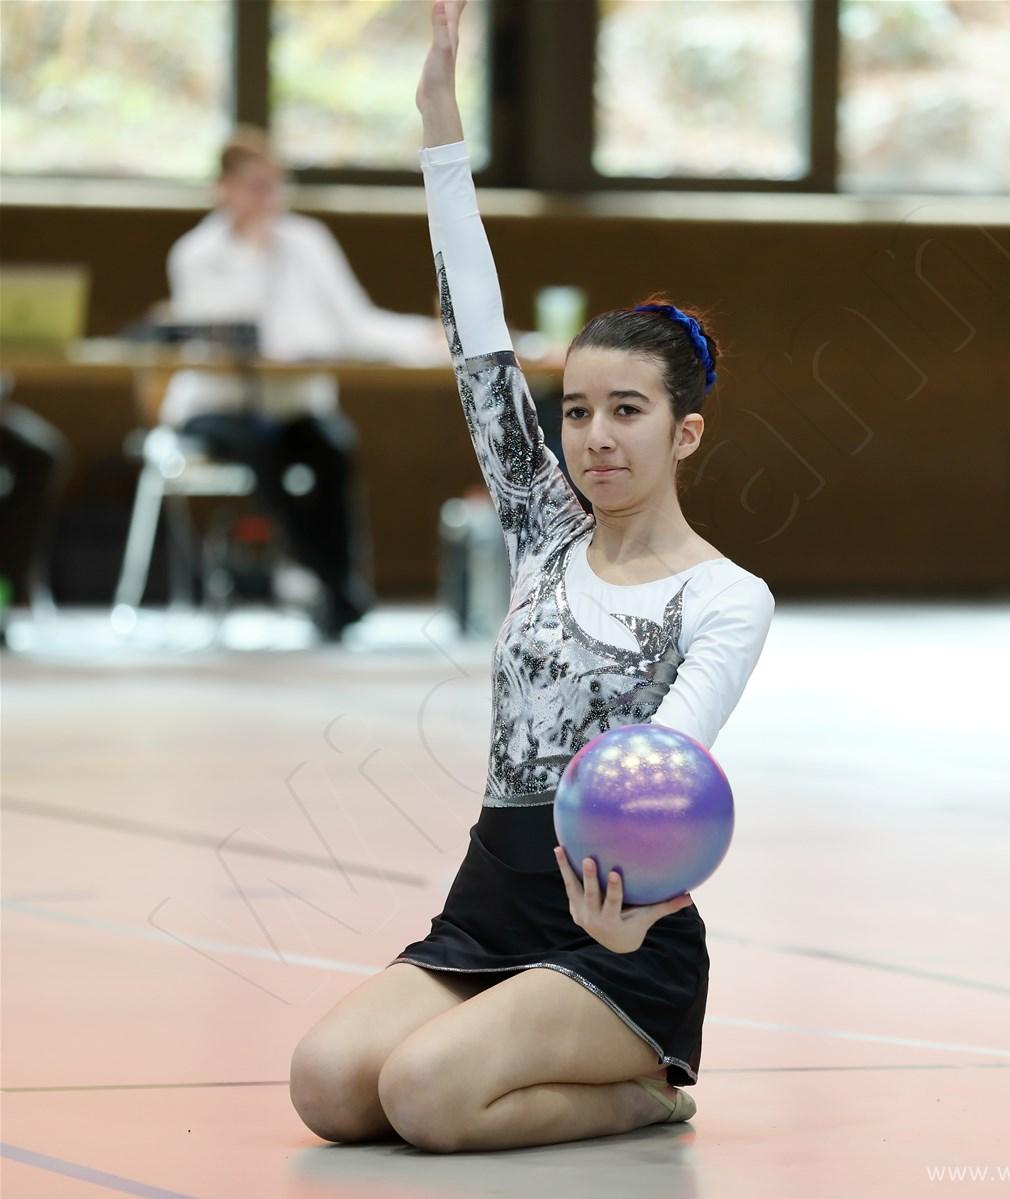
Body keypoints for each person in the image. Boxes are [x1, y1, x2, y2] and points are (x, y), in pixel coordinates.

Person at [289, 0, 774, 1153]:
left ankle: (650, 1083)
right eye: (578, 410)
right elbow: (476, 338)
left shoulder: (724, 596)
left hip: (617, 926)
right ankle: (516, 1036)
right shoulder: (544, 530)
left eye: (627, 411)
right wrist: (440, 129)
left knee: (428, 1096)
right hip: (490, 902)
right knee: (330, 1085)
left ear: (683, 433)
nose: (595, 436)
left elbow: (671, 764)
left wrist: (633, 899)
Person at [159, 126, 438, 639]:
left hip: (292, 406)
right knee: (263, 451)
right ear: (224, 188)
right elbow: (233, 333)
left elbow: (353, 324)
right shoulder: (196, 254)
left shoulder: (308, 242)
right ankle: (322, 583)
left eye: (274, 185)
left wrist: (426, 336)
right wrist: (256, 253)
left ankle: (336, 587)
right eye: (255, 187)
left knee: (332, 449)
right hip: (219, 408)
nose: (268, 198)